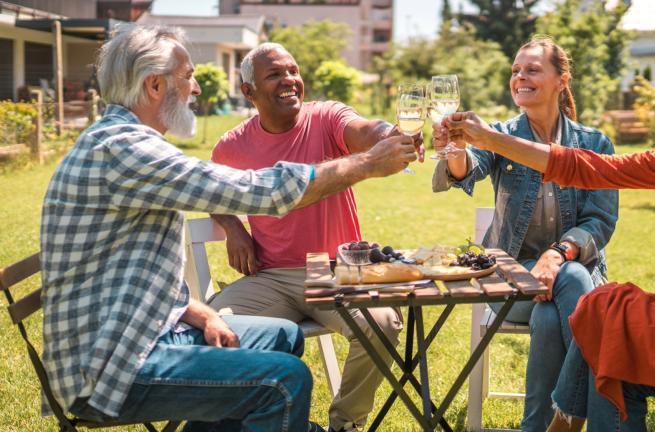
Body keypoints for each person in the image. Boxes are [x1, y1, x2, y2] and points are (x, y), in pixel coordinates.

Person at [40, 25, 417, 432]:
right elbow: (257, 192)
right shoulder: (124, 150)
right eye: (188, 77)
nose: (197, 89)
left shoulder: (123, 142)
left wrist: (199, 314)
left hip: (142, 331)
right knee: (285, 382)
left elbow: (131, 273)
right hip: (109, 368)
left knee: (281, 337)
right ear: (153, 85)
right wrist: (366, 164)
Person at [445, 35, 655, 431]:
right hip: (529, 283)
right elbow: (589, 168)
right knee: (610, 335)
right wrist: (489, 140)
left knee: (608, 314)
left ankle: (557, 424)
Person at [206, 42, 423, 432]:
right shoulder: (232, 145)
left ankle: (344, 425)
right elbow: (209, 189)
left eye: (293, 70)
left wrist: (389, 135)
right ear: (248, 91)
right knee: (210, 328)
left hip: (338, 270)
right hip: (271, 277)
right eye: (275, 74)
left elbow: (363, 130)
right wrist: (234, 228)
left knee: (382, 324)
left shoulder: (326, 117)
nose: (290, 80)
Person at [431, 36, 618, 431]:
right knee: (573, 282)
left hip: (572, 280)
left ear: (561, 80)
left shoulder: (594, 144)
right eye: (516, 70)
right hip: (510, 282)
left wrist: (558, 253)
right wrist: (456, 149)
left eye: (532, 69)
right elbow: (467, 169)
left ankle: (538, 427)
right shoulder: (499, 135)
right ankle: (594, 420)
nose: (520, 77)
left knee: (555, 309)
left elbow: (600, 221)